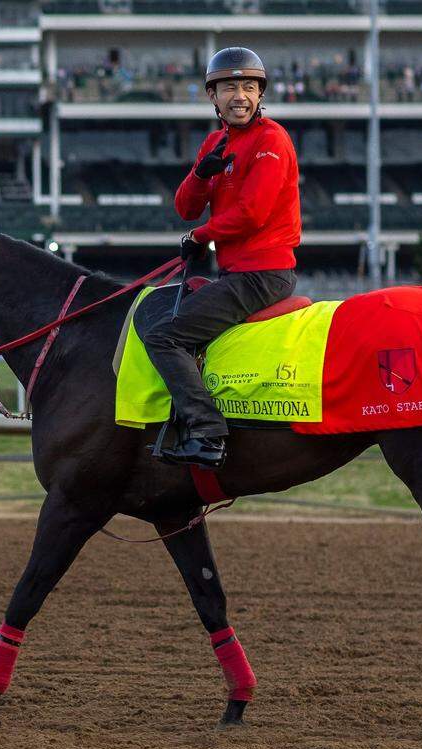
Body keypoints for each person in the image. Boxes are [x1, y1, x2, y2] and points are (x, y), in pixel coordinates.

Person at [138, 46, 301, 469]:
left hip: (262, 274)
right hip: (235, 273)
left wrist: (200, 235)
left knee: (163, 336)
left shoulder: (272, 140)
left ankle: (207, 434)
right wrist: (200, 174)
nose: (239, 96)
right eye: (229, 88)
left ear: (260, 94)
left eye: (249, 88)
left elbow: (252, 213)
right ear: (212, 96)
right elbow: (185, 207)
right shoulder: (215, 143)